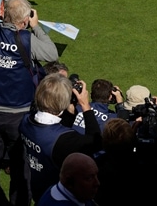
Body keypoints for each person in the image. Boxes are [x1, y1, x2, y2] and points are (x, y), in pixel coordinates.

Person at [0, 0, 60, 206]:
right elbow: (52, 54)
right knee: (20, 165)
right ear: (24, 21)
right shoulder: (26, 39)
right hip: (18, 114)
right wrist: (37, 27)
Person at [20, 74, 103, 203]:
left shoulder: (26, 121)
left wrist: (70, 109)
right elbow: (96, 142)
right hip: (58, 197)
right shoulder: (65, 141)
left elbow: (53, 127)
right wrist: (85, 106)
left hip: (36, 188)